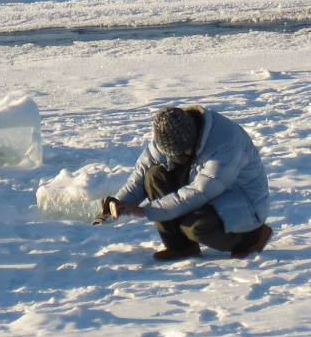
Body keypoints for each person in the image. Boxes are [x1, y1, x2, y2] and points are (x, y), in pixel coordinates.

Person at [101, 105, 273, 262]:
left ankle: (253, 237)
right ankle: (181, 246)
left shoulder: (226, 144)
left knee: (195, 227)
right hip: (204, 189)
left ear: (192, 139)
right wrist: (120, 203)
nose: (178, 158)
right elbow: (143, 170)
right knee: (154, 175)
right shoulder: (170, 132)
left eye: (182, 152)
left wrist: (147, 211)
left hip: (244, 202)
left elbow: (200, 192)